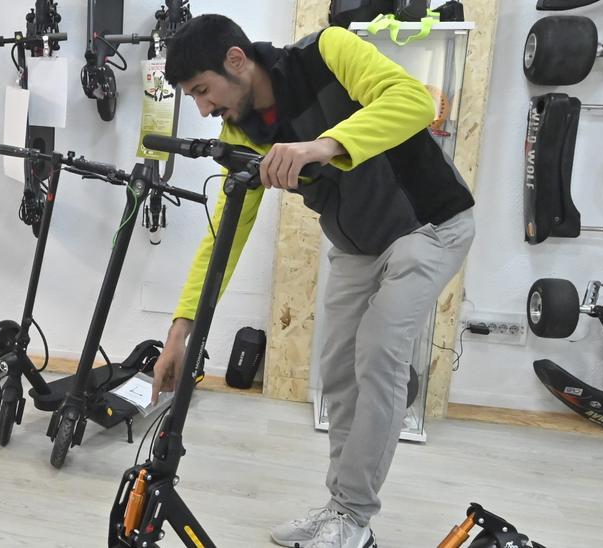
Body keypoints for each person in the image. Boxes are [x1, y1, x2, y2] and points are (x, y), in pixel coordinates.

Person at [148, 14, 476, 548]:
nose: (204, 110)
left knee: (378, 354)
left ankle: (353, 516)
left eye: (203, 92)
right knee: (337, 371)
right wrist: (180, 332)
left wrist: (322, 145)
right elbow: (225, 234)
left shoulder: (328, 51)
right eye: (194, 99)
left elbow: (414, 102)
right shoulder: (243, 131)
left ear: (237, 59)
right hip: (357, 244)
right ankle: (340, 510)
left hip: (429, 223)